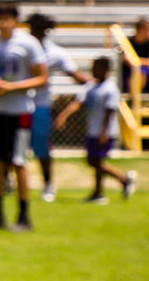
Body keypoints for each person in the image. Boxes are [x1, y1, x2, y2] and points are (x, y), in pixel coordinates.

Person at [0, 2, 48, 232]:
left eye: (7, 19)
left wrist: (11, 87)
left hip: (19, 111)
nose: (3, 23)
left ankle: (24, 215)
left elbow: (42, 78)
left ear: (15, 21)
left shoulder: (28, 43)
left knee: (18, 161)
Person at [25, 12, 89, 202]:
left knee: (41, 146)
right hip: (18, 103)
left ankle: (48, 184)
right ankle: (6, 181)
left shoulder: (54, 53)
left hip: (40, 105)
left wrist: (96, 81)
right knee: (11, 144)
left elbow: (76, 75)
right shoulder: (23, 47)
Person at [56, 57, 137, 203]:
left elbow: (109, 112)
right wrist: (64, 115)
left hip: (105, 132)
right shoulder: (91, 86)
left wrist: (104, 133)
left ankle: (123, 180)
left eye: (96, 67)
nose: (93, 70)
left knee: (94, 161)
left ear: (105, 69)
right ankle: (98, 193)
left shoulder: (110, 88)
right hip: (93, 130)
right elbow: (78, 102)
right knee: (95, 161)